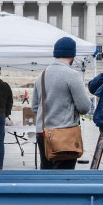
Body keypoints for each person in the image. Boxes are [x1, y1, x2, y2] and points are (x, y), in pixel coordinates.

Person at [32, 36, 91, 170]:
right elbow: (84, 107)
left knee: (46, 175)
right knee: (64, 178)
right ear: (72, 54)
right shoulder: (72, 75)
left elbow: (34, 107)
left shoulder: (41, 75)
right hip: (64, 134)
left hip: (43, 132)